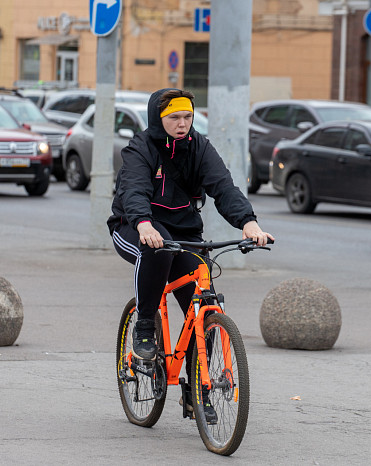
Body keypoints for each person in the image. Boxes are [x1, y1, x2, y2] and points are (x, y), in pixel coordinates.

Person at [107, 88, 273, 421]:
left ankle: (199, 389)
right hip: (134, 226)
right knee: (157, 250)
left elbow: (223, 187)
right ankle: (143, 326)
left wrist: (249, 223)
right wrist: (142, 223)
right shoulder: (141, 148)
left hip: (184, 233)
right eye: (174, 118)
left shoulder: (200, 147)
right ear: (159, 118)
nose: (182, 124)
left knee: (203, 299)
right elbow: (135, 189)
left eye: (187, 117)